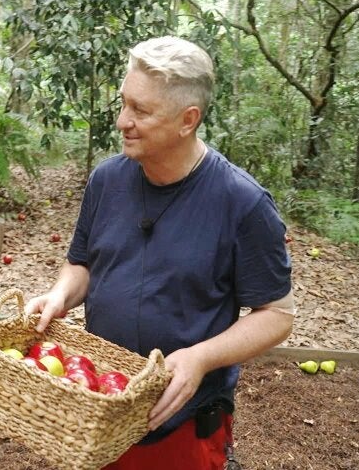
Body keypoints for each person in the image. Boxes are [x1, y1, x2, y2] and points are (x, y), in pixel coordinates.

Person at [24, 36, 294, 469]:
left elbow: (277, 314)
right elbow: (83, 263)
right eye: (124, 103)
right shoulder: (107, 181)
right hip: (101, 403)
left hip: (181, 422)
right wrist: (60, 295)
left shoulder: (242, 202)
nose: (121, 121)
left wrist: (200, 357)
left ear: (188, 120)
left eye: (141, 111)